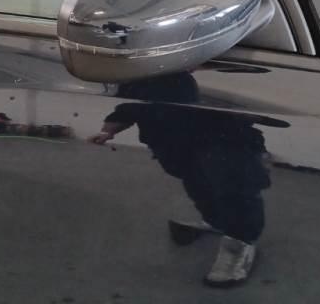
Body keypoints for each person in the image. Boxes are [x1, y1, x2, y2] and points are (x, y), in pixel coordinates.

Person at [89, 73, 287, 287]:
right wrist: (107, 132)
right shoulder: (137, 77)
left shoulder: (183, 74)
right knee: (197, 185)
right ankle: (217, 221)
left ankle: (239, 243)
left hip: (219, 138)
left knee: (234, 188)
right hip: (173, 143)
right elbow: (129, 108)